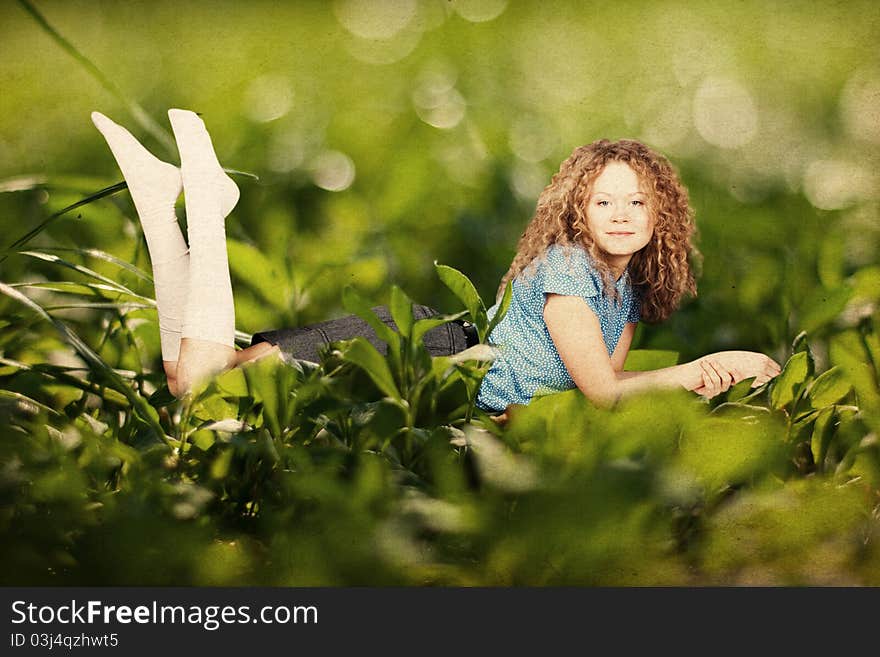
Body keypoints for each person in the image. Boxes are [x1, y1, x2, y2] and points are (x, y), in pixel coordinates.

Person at [91, 110, 780, 412]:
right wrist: (697, 370)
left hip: (435, 346)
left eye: (636, 202)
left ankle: (164, 203)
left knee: (193, 379)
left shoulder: (621, 295)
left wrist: (707, 382)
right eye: (605, 203)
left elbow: (595, 388)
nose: (623, 215)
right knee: (210, 383)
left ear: (662, 214)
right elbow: (601, 391)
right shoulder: (571, 271)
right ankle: (203, 210)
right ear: (579, 212)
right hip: (423, 353)